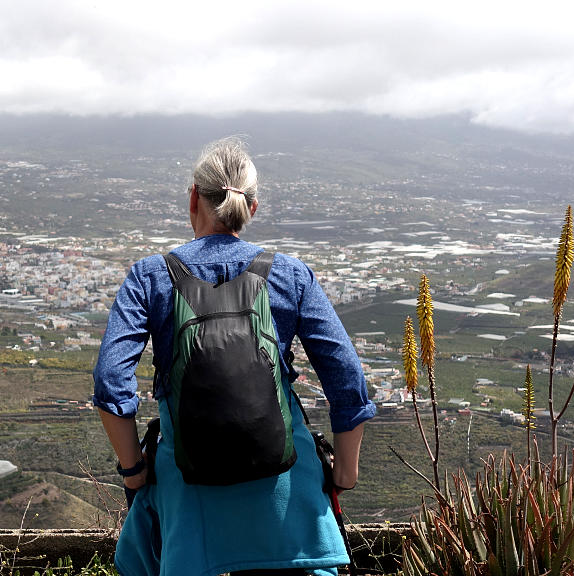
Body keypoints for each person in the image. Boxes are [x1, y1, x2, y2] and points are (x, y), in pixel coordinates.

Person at [92, 137, 376, 576]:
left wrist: (133, 470)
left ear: (193, 198)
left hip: (191, 508)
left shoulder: (150, 276)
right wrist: (346, 475)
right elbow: (348, 381)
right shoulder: (290, 275)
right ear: (252, 208)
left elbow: (111, 383)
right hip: (289, 509)